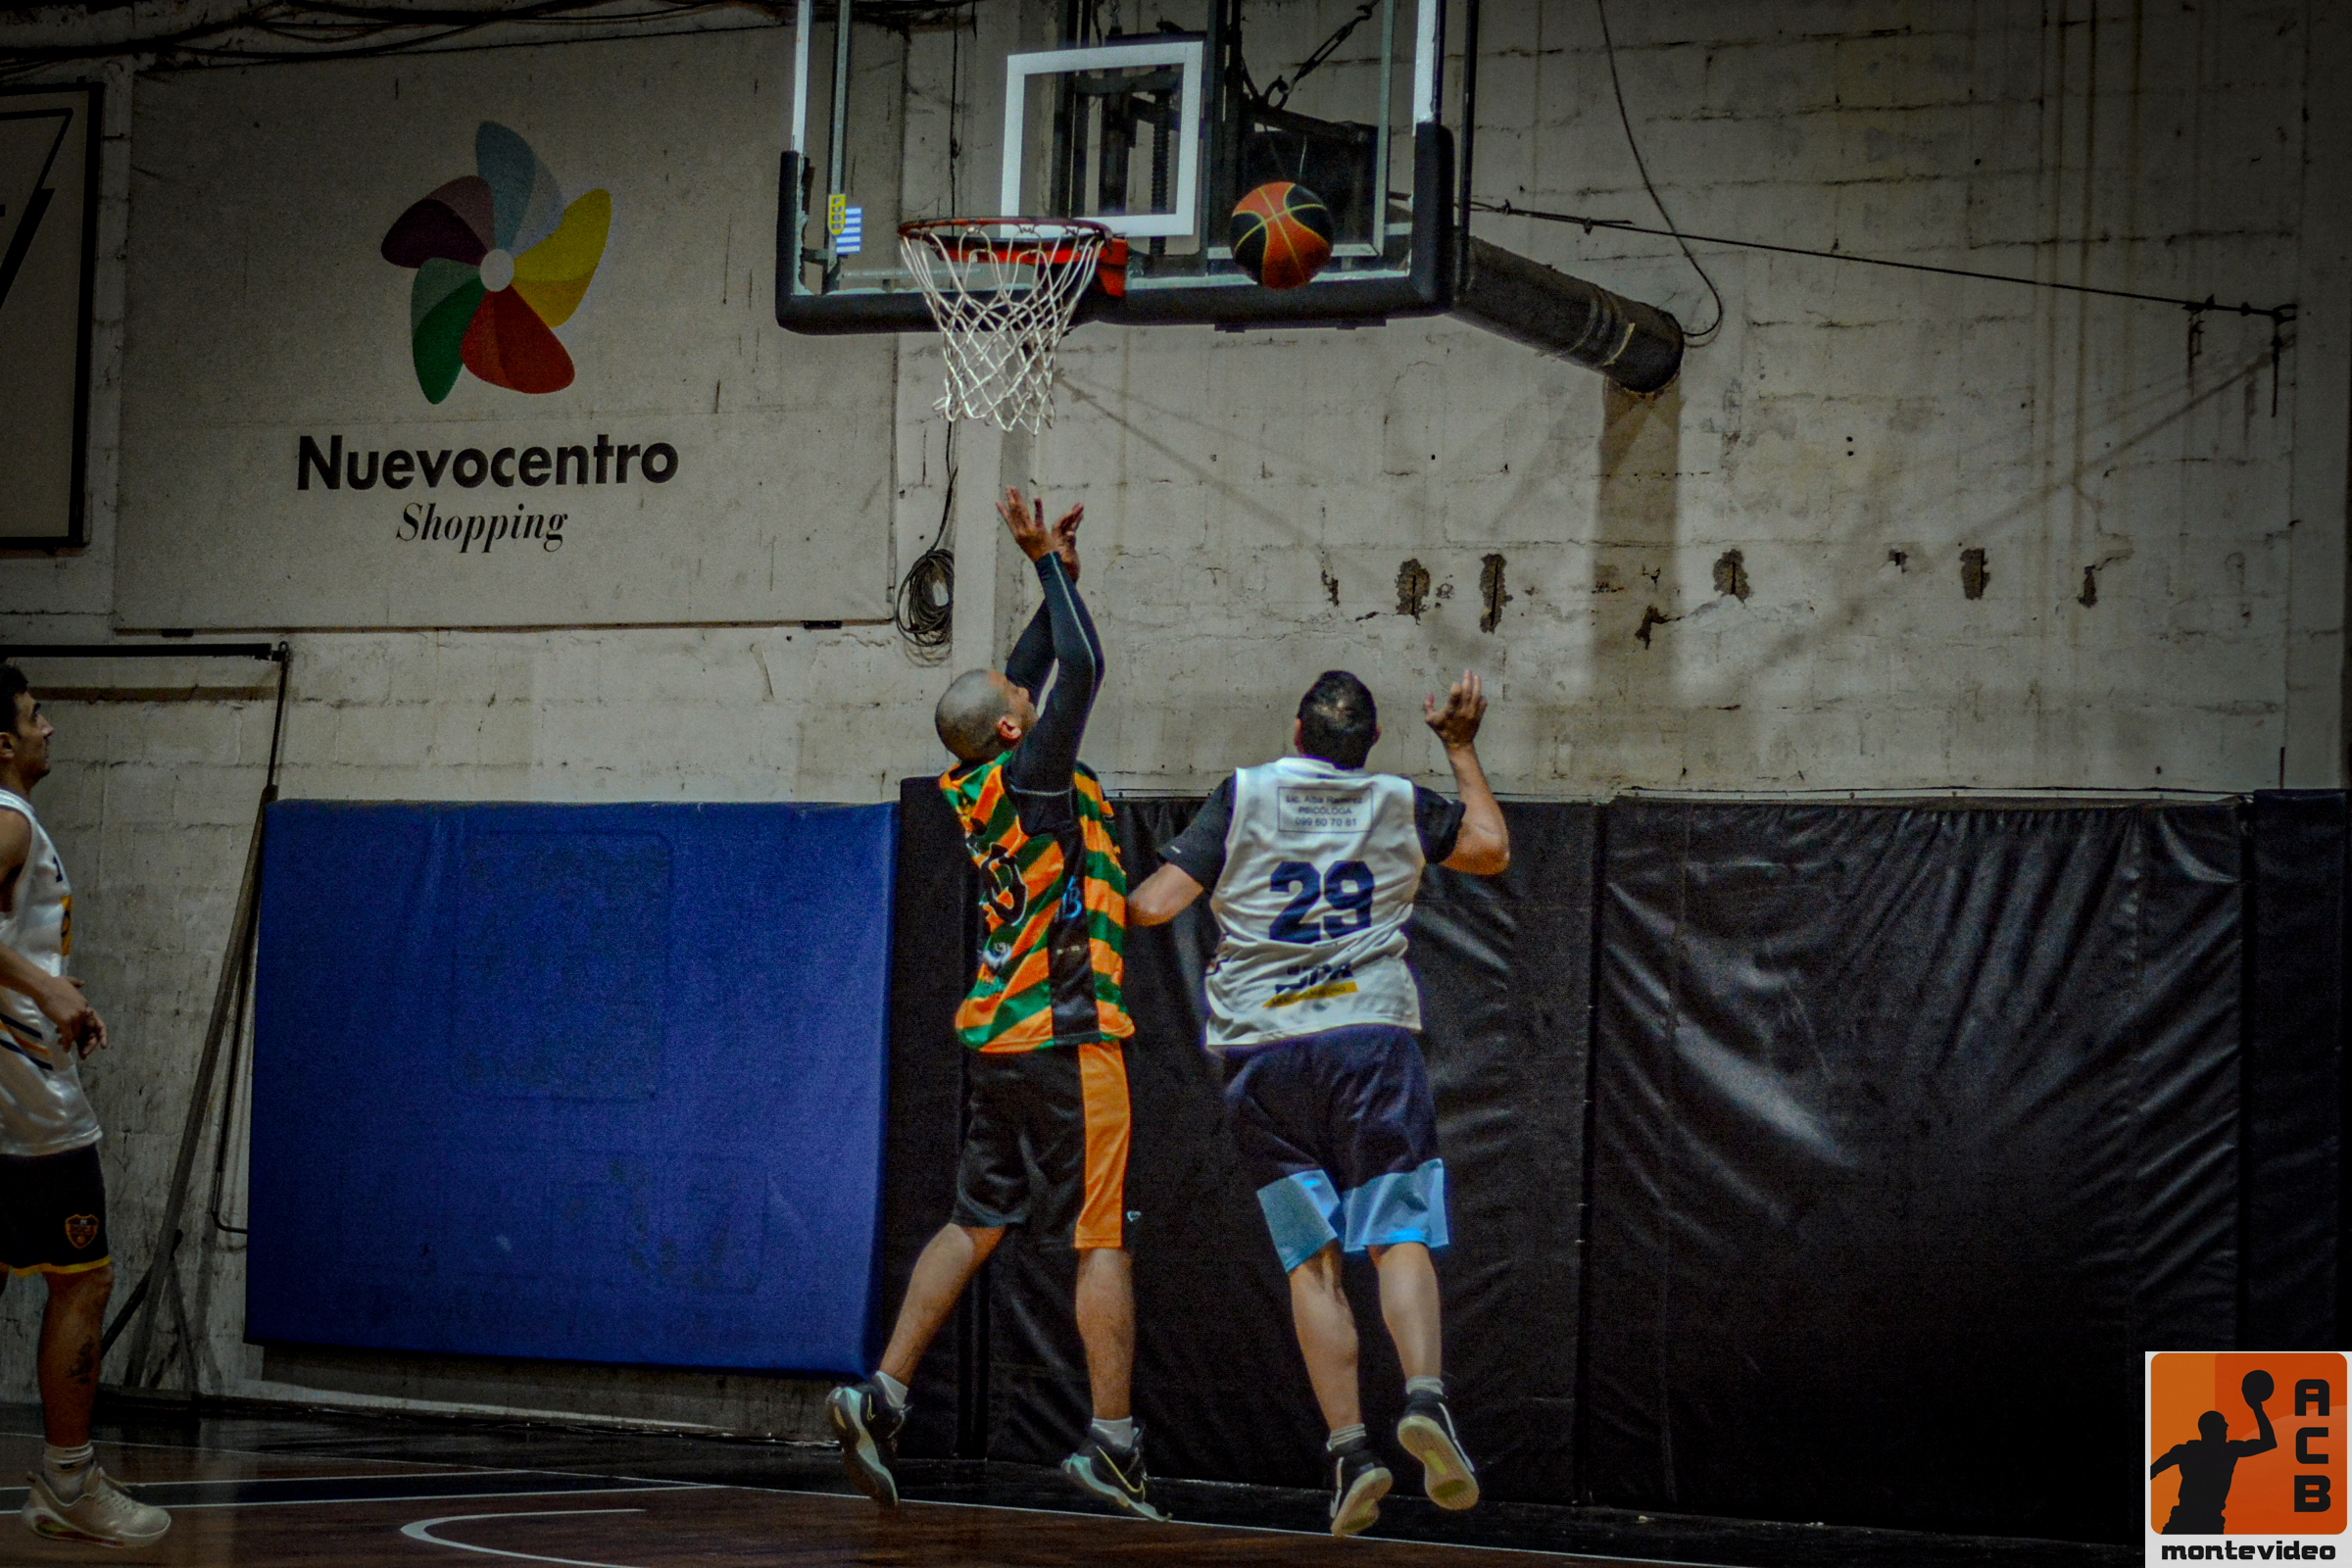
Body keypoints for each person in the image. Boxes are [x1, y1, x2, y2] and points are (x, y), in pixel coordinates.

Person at [829, 490, 1159, 1520]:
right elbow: (1082, 667)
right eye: (1022, 700)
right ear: (1015, 728)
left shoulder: (976, 779)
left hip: (996, 1043)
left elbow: (1032, 666)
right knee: (1100, 1237)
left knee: (975, 1220)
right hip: (1067, 1038)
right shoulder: (1036, 777)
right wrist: (1047, 569)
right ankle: (1113, 1443)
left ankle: (882, 1393)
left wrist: (1053, 573)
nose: (1028, 690)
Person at [1128, 667, 1508, 1538]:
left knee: (1312, 1262)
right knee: (1399, 1235)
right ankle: (1425, 1400)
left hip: (1264, 1057)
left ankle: (1349, 1453)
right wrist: (1459, 746)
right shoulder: (1396, 801)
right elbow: (1490, 847)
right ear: (1369, 745)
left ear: (1297, 731)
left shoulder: (1247, 793)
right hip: (1369, 1045)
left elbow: (1153, 907)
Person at [0, 664, 171, 1546]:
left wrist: (59, 993)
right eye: (36, 716)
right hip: (26, 1106)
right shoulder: (9, 818)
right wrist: (48, 992)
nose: (50, 727)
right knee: (84, 1276)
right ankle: (69, 1480)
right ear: (3, 742)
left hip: (20, 1085)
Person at [2152, 1389, 2278, 1533]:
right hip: (2194, 1521)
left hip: (2198, 1521)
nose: (2226, 1426)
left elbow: (2152, 1470)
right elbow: (2268, 1442)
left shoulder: (2187, 1451)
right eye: (2222, 1423)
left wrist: (2257, 1408)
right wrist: (2257, 1409)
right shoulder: (2227, 1451)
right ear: (2212, 1428)